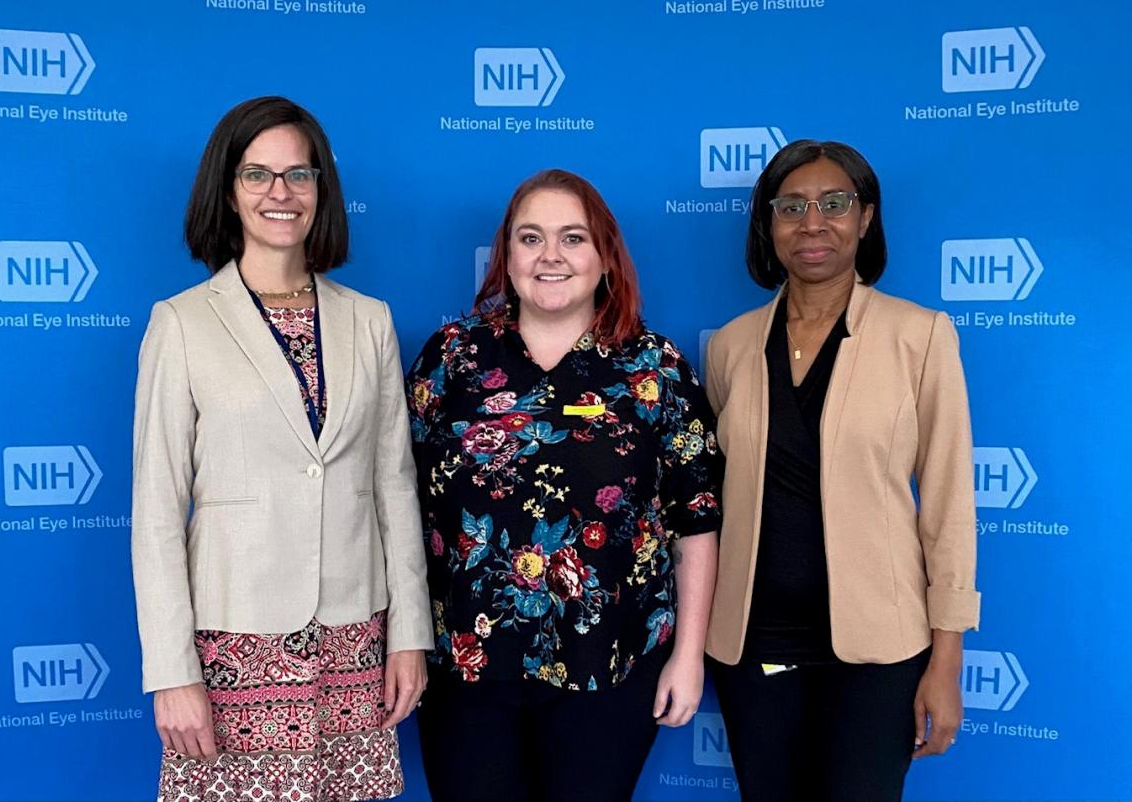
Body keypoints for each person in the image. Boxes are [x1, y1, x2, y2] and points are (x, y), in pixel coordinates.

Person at [131, 96, 432, 802]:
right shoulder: (179, 324)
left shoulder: (369, 321)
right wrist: (171, 671)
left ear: (321, 190)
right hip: (234, 647)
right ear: (227, 191)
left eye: (299, 175)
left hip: (354, 640)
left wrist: (409, 634)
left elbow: (394, 487)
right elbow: (154, 510)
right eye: (257, 174)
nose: (280, 193)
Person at [405, 169, 723, 802]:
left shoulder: (654, 369)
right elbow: (400, 507)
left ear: (605, 256)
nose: (550, 256)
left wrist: (689, 657)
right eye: (531, 238)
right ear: (507, 257)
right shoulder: (451, 359)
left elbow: (696, 523)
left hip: (609, 668)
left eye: (572, 238)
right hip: (466, 671)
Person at [703, 140, 980, 802]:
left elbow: (947, 507)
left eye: (835, 203)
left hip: (879, 653)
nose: (813, 222)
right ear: (770, 226)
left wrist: (947, 658)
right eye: (791, 206)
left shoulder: (921, 336)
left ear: (865, 217)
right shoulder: (729, 346)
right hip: (754, 644)